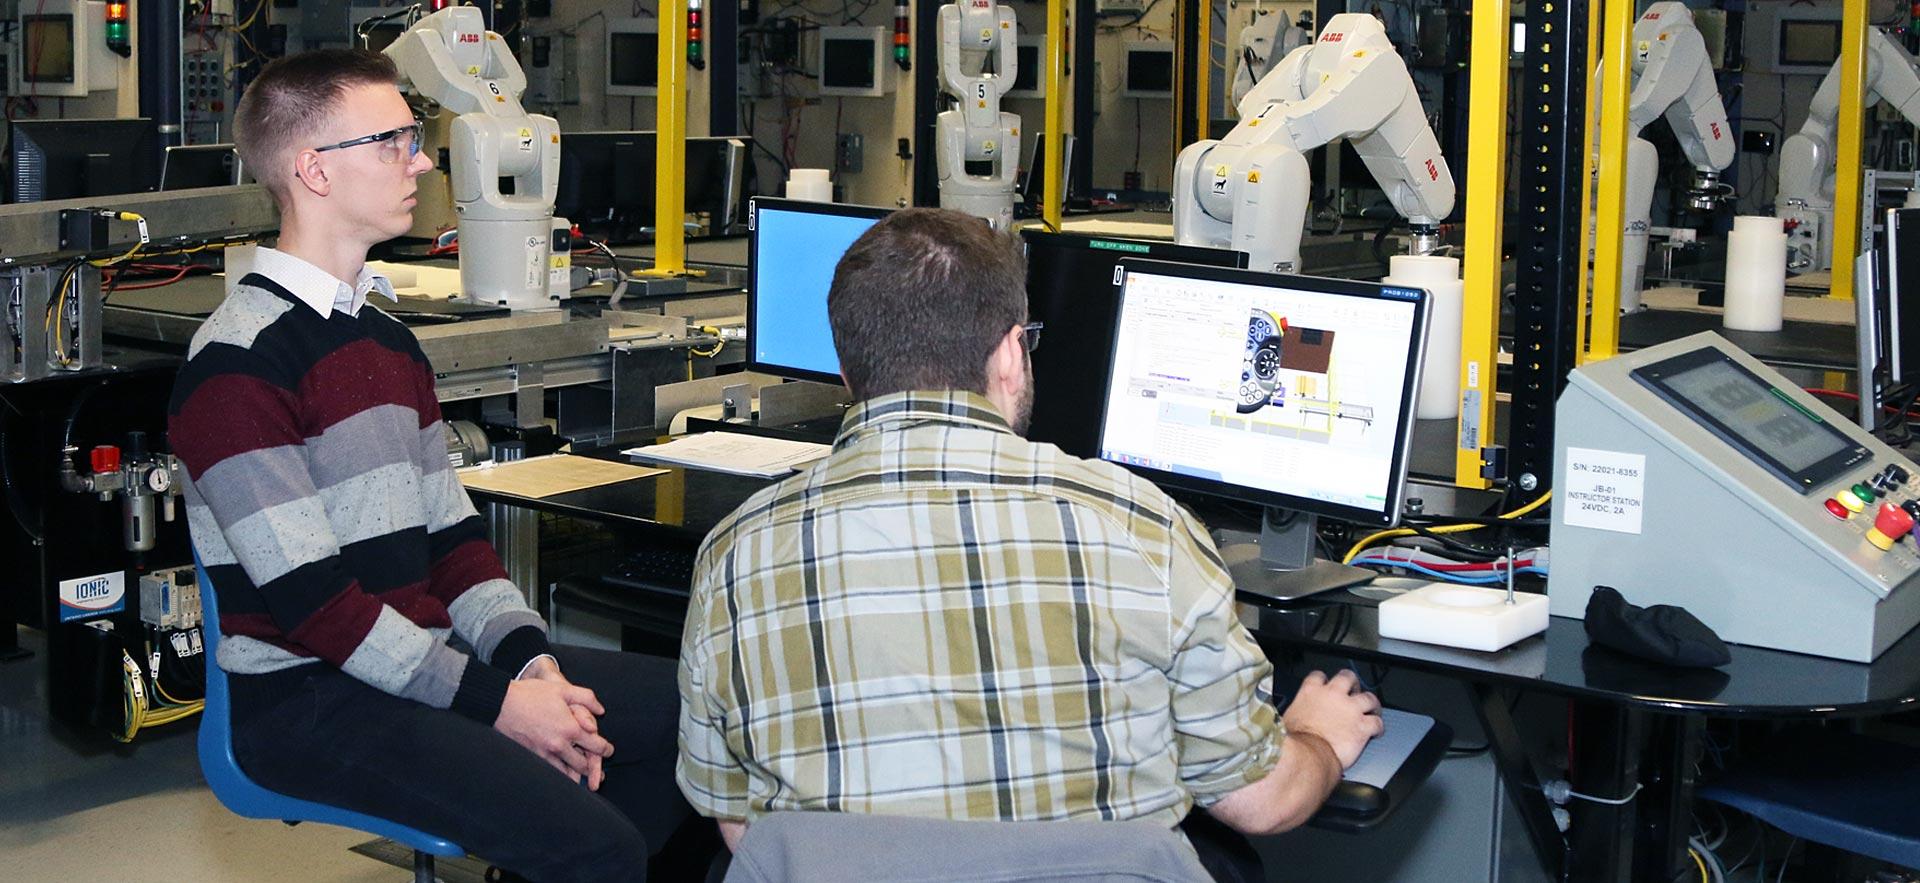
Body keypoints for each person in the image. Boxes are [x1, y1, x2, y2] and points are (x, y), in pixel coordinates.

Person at [676, 208, 1384, 879]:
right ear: (1012, 352)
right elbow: (1259, 801)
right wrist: (1317, 739)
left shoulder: (735, 551)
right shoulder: (1140, 523)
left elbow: (749, 834)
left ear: (848, 371)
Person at [169, 49, 687, 883]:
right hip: (311, 700)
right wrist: (502, 707)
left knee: (691, 714)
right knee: (599, 846)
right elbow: (319, 608)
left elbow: (454, 543)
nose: (421, 161)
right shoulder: (236, 363)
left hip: (424, 660)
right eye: (395, 141)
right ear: (313, 170)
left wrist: (529, 663)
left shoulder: (387, 341)